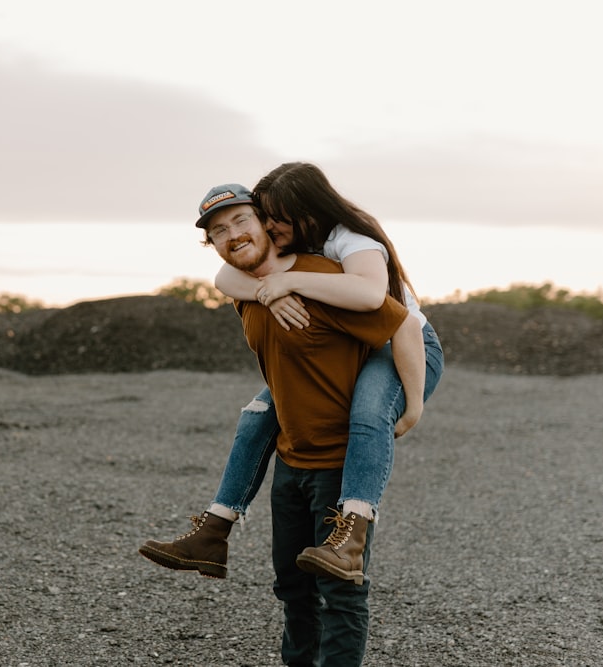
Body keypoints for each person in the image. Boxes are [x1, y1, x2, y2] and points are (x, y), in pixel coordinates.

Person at [139, 164, 443, 583]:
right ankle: (214, 530)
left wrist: (413, 408)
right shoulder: (299, 248)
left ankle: (352, 534)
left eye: (275, 215)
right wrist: (269, 293)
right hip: (359, 343)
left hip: (403, 346)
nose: (271, 225)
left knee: (369, 413)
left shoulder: (351, 241)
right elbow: (225, 277)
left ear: (306, 210)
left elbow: (380, 303)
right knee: (257, 415)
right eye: (266, 215)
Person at [166, 183, 409, 664]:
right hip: (291, 462)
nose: (232, 235)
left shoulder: (324, 275)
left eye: (240, 221)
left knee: (340, 593)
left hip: (340, 462)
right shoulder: (246, 288)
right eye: (218, 231)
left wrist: (414, 402)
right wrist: (268, 290)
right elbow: (236, 282)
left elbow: (400, 324)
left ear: (269, 226)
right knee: (293, 590)